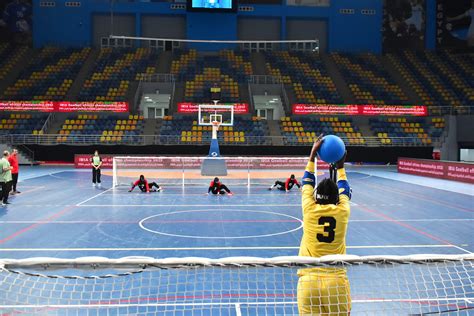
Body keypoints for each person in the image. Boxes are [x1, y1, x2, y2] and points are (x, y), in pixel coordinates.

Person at [297, 135, 352, 315]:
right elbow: (344, 187)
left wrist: (312, 155)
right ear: (337, 198)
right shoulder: (343, 211)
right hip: (335, 281)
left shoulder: (309, 208)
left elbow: (306, 182)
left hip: (308, 281)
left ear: (316, 196)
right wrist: (341, 167)